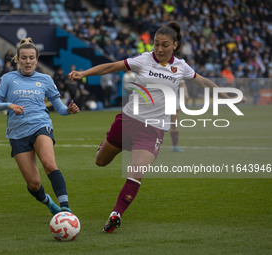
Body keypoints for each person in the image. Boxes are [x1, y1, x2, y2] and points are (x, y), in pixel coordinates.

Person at [69, 22, 246, 233]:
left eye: (164, 45)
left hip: (152, 129)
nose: (159, 49)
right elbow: (110, 66)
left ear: (175, 45)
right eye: (156, 44)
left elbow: (204, 82)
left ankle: (115, 214)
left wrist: (227, 96)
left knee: (136, 172)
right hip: (128, 121)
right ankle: (105, 146)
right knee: (101, 161)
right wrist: (84, 73)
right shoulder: (143, 60)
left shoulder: (181, 67)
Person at [0, 37, 80, 216]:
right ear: (18, 59)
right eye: (24, 58)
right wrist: (9, 105)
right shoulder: (8, 79)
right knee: (34, 184)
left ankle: (66, 208)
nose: (28, 61)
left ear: (37, 60)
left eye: (31, 58)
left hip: (41, 125)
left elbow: (59, 108)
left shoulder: (45, 79)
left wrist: (68, 110)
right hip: (17, 133)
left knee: (49, 164)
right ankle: (49, 202)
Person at [170, 80, 189, 152]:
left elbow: (182, 84)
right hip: (159, 103)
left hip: (173, 103)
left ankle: (175, 146)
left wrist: (185, 92)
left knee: (174, 125)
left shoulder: (177, 70)